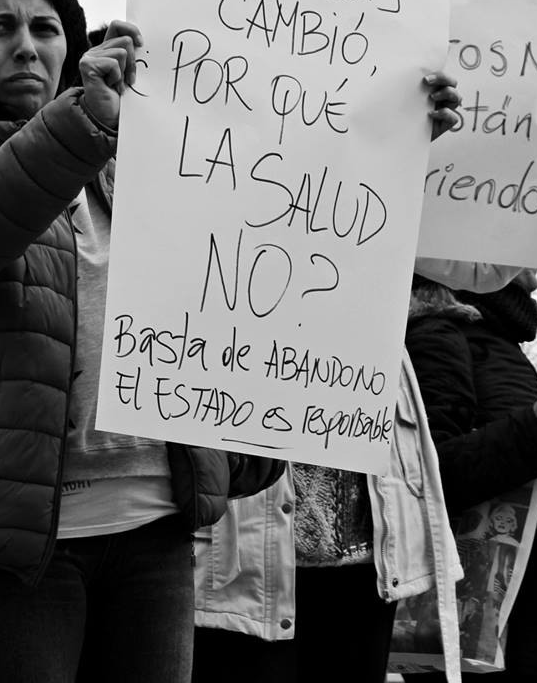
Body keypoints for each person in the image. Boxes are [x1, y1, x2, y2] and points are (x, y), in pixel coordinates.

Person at [0, 0, 283, 683]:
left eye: (46, 27)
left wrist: (389, 142)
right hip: (3, 549)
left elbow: (262, 238)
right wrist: (82, 120)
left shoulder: (149, 161)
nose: (26, 45)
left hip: (151, 529)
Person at [192, 77, 466, 683]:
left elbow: (481, 250)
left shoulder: (362, 234)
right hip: (250, 562)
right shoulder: (208, 205)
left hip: (362, 558)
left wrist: (411, 142)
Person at [402, 89, 537, 682]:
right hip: (483, 644)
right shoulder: (434, 335)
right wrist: (534, 429)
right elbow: (428, 478)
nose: (536, 247)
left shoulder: (500, 344)